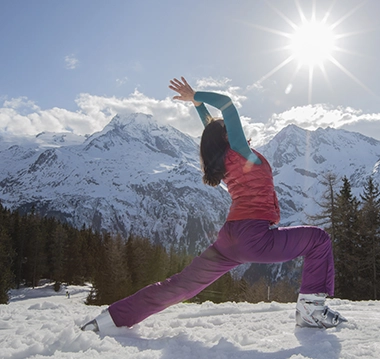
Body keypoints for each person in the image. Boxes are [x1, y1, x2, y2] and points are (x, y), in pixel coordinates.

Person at [81, 77, 345, 333]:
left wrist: (197, 105)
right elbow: (227, 104)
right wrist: (197, 97)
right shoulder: (242, 152)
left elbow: (212, 129)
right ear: (228, 136)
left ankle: (108, 321)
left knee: (180, 285)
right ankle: (311, 311)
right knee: (318, 239)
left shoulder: (223, 159)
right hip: (254, 235)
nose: (233, 130)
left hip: (230, 236)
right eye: (229, 129)